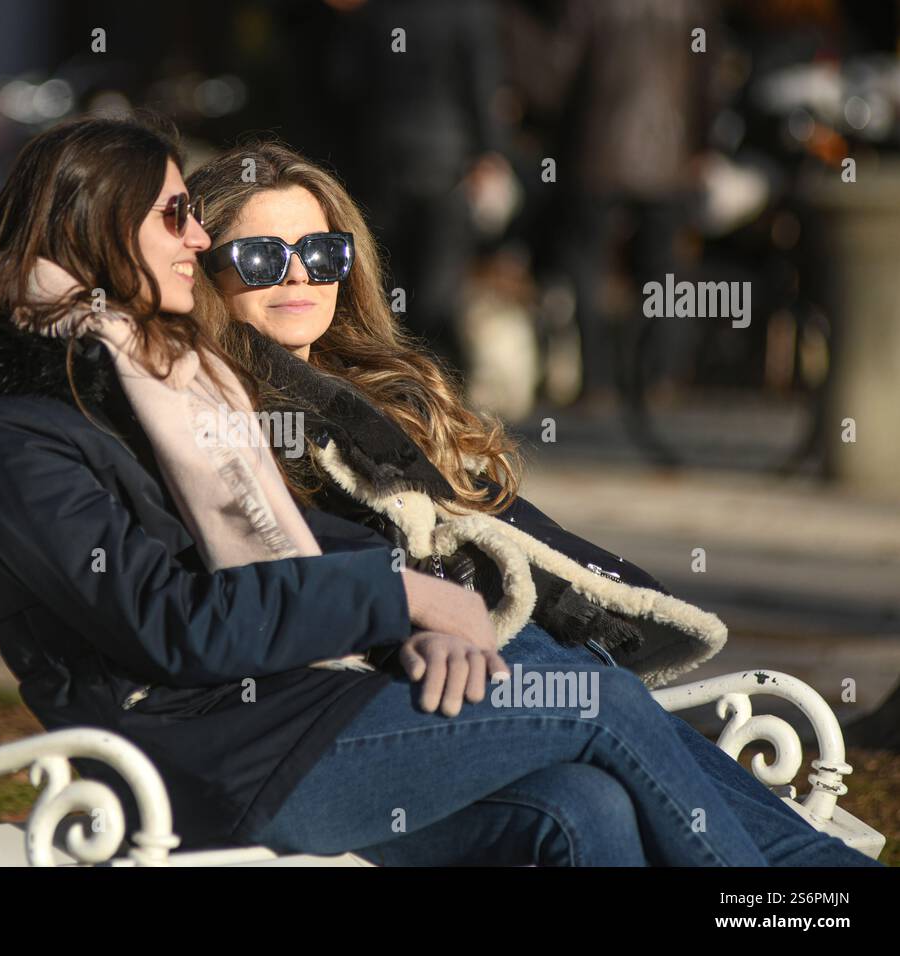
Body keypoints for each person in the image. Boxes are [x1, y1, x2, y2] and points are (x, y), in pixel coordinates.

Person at [186, 140, 881, 866]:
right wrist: (418, 611)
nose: (299, 274)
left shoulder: (372, 397)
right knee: (594, 700)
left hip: (478, 664)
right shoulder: (218, 410)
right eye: (262, 257)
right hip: (350, 704)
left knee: (592, 784)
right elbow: (292, 563)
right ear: (204, 271)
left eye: (322, 253)